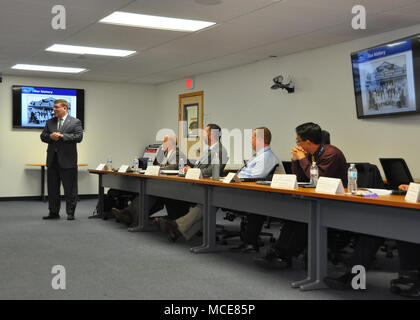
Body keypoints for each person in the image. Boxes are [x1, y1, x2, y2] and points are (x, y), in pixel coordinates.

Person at [253, 122, 348, 268]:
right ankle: (281, 253)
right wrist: (296, 162)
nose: (297, 144)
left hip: (337, 203)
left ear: (308, 142)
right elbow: (301, 179)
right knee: (295, 214)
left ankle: (283, 254)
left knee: (302, 217)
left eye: (299, 141)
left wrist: (302, 159)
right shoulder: (311, 155)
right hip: (319, 200)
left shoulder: (331, 153)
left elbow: (317, 180)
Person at [159, 123, 230, 242]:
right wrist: (190, 168)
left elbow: (212, 171)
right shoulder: (209, 150)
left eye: (204, 133)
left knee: (203, 205)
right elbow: (200, 166)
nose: (202, 136)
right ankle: (178, 230)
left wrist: (193, 170)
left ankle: (176, 225)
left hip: (208, 186)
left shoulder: (221, 151)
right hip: (199, 182)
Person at [112, 134, 188, 229]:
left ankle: (130, 216)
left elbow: (173, 166)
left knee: (150, 192)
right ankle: (129, 214)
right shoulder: (164, 154)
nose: (162, 144)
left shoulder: (177, 153)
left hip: (173, 186)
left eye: (164, 142)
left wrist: (157, 167)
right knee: (147, 192)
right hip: (162, 183)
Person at [40, 99, 83, 221]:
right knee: (53, 189)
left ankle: (70, 213)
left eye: (56, 107)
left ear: (65, 108)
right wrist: (50, 136)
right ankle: (53, 213)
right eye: (53, 107)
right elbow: (43, 136)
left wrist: (63, 136)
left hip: (68, 161)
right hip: (52, 160)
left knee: (70, 189)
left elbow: (79, 137)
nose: (54, 109)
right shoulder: (50, 122)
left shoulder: (75, 122)